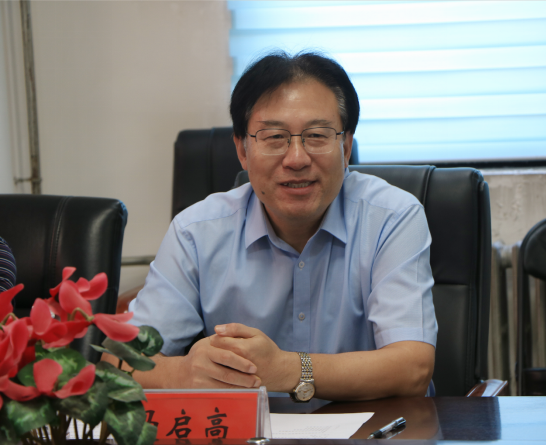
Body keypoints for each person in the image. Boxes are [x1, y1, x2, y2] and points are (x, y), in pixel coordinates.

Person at [115, 51, 437, 401]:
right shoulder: (196, 232)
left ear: (345, 147)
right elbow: (119, 362)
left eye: (317, 135)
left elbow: (413, 368)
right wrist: (182, 373)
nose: (296, 159)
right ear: (242, 150)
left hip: (374, 428)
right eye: (274, 137)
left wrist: (288, 369)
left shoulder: (392, 217)